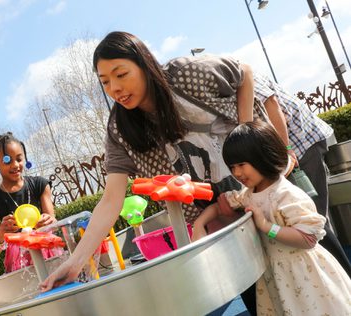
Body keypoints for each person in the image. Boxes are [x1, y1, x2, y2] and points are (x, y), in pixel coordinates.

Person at [40, 31, 270, 314]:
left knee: (304, 274)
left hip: (265, 189)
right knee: (260, 300)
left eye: (121, 74)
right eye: (105, 82)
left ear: (144, 64)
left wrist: (245, 141)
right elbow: (111, 200)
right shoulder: (120, 130)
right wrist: (75, 262)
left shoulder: (185, 75)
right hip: (219, 219)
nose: (114, 88)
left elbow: (243, 72)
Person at [194, 120, 351, 315]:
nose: (236, 173)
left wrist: (267, 226)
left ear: (263, 156)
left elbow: (308, 238)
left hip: (303, 274)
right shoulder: (248, 193)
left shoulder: (286, 194)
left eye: (242, 164)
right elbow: (219, 205)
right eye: (232, 166)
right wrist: (199, 224)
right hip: (276, 275)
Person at [253, 72, 351, 276]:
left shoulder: (239, 76)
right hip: (287, 153)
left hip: (300, 145)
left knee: (312, 220)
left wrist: (286, 149)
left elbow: (272, 103)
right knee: (311, 219)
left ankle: (344, 278)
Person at [0, 132, 59, 273]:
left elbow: (54, 223)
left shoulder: (40, 185)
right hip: (20, 268)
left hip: (50, 255)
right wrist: (2, 233)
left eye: (19, 159)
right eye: (7, 160)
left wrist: (49, 221)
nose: (15, 165)